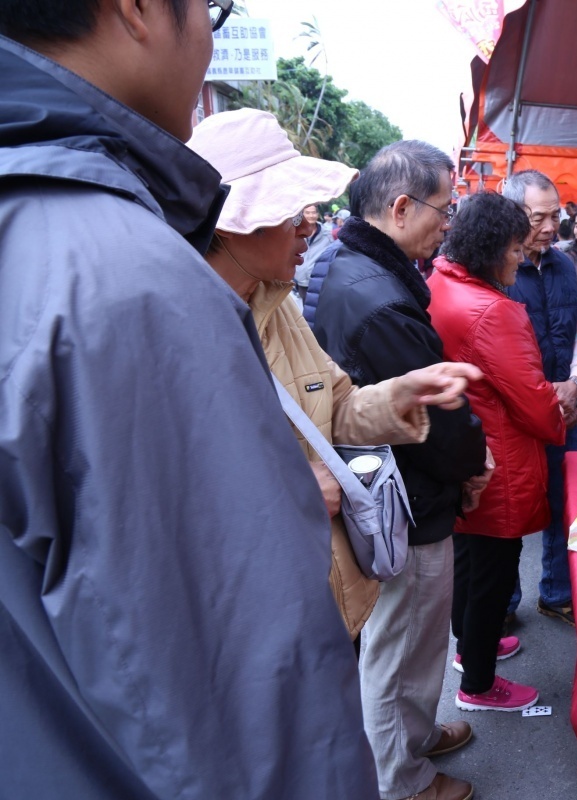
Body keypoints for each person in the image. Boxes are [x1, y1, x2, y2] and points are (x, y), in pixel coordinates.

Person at [0, 3, 381, 797]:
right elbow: (238, 688)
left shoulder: (61, 246)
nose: (310, 221)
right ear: (137, 11)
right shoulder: (128, 283)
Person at [188, 108, 479, 637]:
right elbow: (170, 493)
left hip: (324, 590)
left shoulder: (281, 308)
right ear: (232, 225)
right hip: (251, 613)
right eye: (291, 209)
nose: (309, 224)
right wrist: (290, 490)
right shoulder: (177, 326)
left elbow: (336, 407)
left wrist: (404, 394)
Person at [312, 140, 490, 800]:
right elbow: (433, 422)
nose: (449, 222)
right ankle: (404, 779)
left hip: (395, 491)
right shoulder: (379, 297)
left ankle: (408, 739)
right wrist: (472, 464)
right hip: (404, 502)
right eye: (445, 208)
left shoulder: (359, 269)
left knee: (409, 647)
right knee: (400, 650)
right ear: (400, 206)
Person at [427, 191, 568, 712]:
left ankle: (470, 651)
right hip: (499, 461)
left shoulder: (441, 282)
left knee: (470, 562)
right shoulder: (495, 312)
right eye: (514, 248)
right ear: (490, 249)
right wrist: (560, 416)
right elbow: (532, 399)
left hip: (465, 452)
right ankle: (479, 685)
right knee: (495, 572)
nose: (519, 257)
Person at [502, 170, 577, 627]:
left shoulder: (563, 266)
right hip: (516, 418)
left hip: (565, 411)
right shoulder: (498, 269)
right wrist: (539, 396)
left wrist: (575, 382)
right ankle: (502, 605)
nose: (550, 225)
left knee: (567, 506)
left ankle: (557, 593)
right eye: (539, 216)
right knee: (513, 509)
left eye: (555, 214)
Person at [294, 203, 333, 303]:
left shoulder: (326, 233)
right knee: (306, 308)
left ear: (318, 214)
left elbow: (332, 254)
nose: (311, 216)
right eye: (307, 213)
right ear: (302, 215)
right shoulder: (295, 232)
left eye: (313, 213)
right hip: (302, 279)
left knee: (321, 307)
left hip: (320, 280)